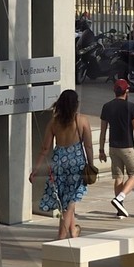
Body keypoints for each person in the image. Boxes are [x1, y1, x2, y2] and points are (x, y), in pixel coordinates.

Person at [33, 89, 94, 238]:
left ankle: (73, 231)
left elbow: (45, 148)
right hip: (77, 165)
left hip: (58, 163)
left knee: (65, 202)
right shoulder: (82, 120)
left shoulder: (54, 122)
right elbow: (88, 146)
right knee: (71, 202)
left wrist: (35, 170)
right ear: (76, 104)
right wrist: (91, 164)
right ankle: (61, 237)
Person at [100, 74, 134, 217]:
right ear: (126, 91)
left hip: (113, 147)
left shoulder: (106, 107)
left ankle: (120, 210)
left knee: (118, 177)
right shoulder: (131, 107)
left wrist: (101, 150)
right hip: (127, 147)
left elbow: (103, 131)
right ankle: (119, 198)